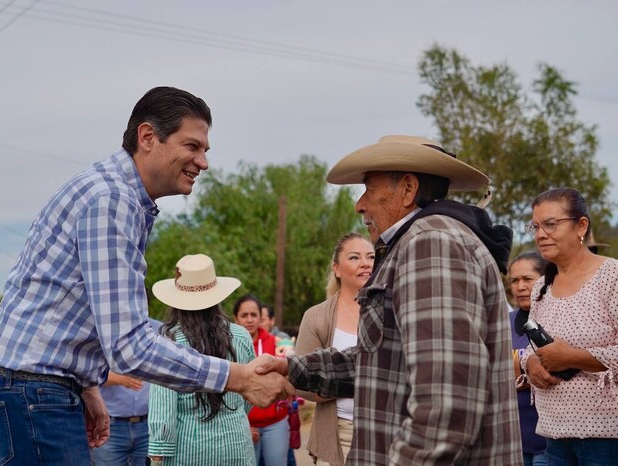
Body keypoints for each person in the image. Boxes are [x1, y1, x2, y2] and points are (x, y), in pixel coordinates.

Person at [0, 86, 293, 465]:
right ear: (148, 137)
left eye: (205, 150)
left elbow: (66, 302)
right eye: (192, 146)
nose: (203, 162)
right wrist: (239, 378)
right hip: (29, 391)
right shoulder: (113, 200)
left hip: (29, 387)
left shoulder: (113, 194)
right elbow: (130, 347)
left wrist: (87, 385)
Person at [258, 135, 523, 465]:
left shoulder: (430, 244)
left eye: (369, 188)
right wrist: (291, 368)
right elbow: (381, 362)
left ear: (408, 188)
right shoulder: (424, 241)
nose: (360, 204)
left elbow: (445, 407)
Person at [520, 188, 618, 465]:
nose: (540, 234)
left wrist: (574, 358)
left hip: (606, 438)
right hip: (553, 436)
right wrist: (530, 364)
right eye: (536, 226)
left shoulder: (611, 277)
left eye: (551, 224)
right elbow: (532, 347)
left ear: (581, 226)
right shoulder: (542, 286)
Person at [146, 254, 256, 466]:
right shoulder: (241, 337)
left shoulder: (170, 343)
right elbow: (249, 396)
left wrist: (157, 454)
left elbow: (163, 409)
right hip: (236, 445)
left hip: (188, 449)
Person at [294, 232, 374, 466]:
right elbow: (302, 381)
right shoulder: (316, 317)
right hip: (339, 433)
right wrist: (354, 383)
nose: (365, 263)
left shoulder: (391, 309)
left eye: (370, 257)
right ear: (336, 269)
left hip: (384, 430)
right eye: (354, 257)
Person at [91, 315, 158, 466]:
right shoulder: (104, 332)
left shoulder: (159, 330)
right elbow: (89, 373)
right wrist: (120, 379)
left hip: (149, 426)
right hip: (111, 427)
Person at [235, 295, 289, 466]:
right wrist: (243, 425)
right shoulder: (228, 346)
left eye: (254, 314)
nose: (250, 320)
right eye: (244, 315)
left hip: (276, 422)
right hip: (244, 424)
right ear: (236, 318)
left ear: (261, 316)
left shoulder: (276, 343)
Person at [508, 252, 548, 466]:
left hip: (548, 441)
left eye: (527, 279)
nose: (520, 286)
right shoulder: (504, 322)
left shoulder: (556, 319)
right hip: (513, 439)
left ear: (543, 279)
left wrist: (519, 372)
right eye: (514, 280)